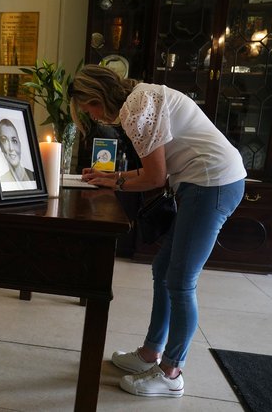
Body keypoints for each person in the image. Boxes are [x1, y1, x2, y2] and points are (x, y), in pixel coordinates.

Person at [69, 65, 246, 398]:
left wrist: (119, 180)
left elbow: (154, 179)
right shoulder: (141, 96)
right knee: (163, 268)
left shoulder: (136, 108)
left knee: (180, 280)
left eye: (88, 108)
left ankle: (171, 372)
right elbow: (156, 168)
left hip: (211, 184)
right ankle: (151, 352)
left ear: (97, 97)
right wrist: (113, 177)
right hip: (205, 182)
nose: (91, 116)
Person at [0, 118, 34, 183]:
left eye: (14, 141)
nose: (11, 148)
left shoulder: (34, 178)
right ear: (0, 145)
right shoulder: (0, 182)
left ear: (20, 144)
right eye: (4, 140)